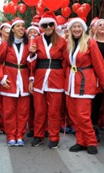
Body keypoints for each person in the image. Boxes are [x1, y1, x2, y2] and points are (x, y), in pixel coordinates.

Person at [63, 17, 104, 155]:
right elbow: (65, 64)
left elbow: (99, 65)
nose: (76, 29)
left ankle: (91, 141)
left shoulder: (90, 42)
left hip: (84, 83)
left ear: (83, 29)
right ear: (70, 29)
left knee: (83, 115)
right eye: (74, 27)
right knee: (74, 115)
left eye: (78, 27)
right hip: (70, 83)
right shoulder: (68, 43)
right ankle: (81, 141)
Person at [27, 11, 67, 149]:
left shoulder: (62, 41)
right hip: (39, 78)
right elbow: (31, 63)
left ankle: (54, 136)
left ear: (54, 26)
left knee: (54, 111)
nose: (48, 27)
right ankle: (38, 135)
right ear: (41, 26)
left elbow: (66, 62)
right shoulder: (36, 40)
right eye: (45, 24)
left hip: (56, 78)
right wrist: (31, 78)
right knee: (39, 110)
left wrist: (66, 80)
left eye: (51, 24)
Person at [0, 18, 31, 147]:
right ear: (13, 29)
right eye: (18, 26)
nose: (21, 28)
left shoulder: (28, 44)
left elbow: (32, 64)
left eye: (23, 26)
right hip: (9, 80)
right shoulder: (5, 45)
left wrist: (31, 79)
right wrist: (1, 78)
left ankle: (20, 135)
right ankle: (11, 135)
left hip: (24, 81)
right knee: (9, 111)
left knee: (23, 111)